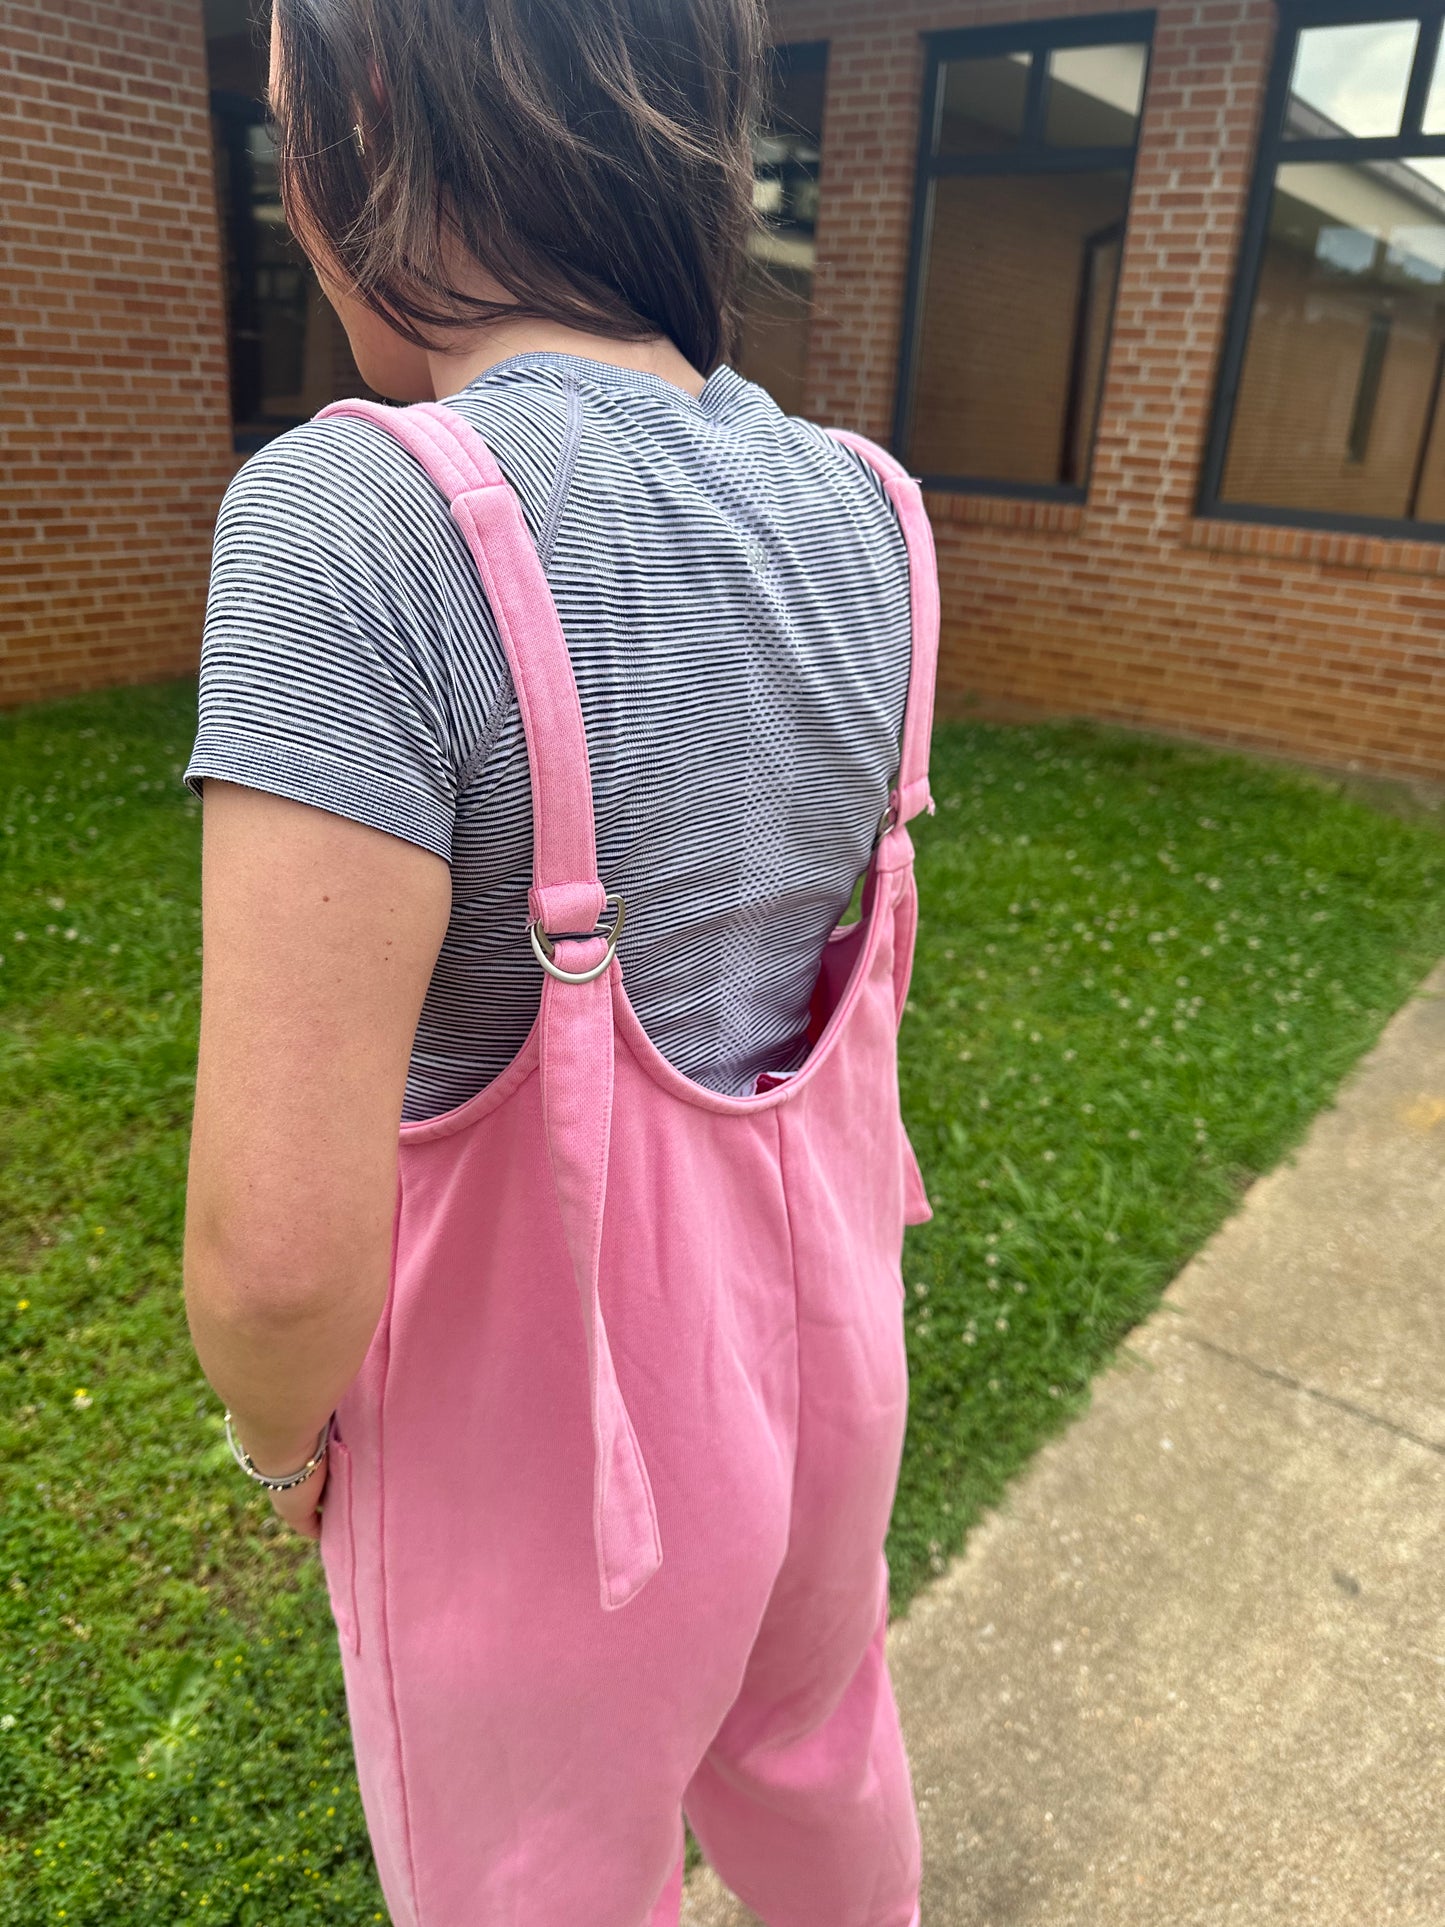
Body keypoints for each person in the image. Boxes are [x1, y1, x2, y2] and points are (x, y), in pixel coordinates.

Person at [181, 0, 938, 1920]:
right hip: (828, 1372)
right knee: (819, 1751)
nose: (291, 206)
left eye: (285, 131)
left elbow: (278, 1258)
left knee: (536, 1881)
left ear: (370, 103)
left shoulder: (357, 523)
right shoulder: (871, 510)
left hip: (541, 1476)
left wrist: (286, 1454)